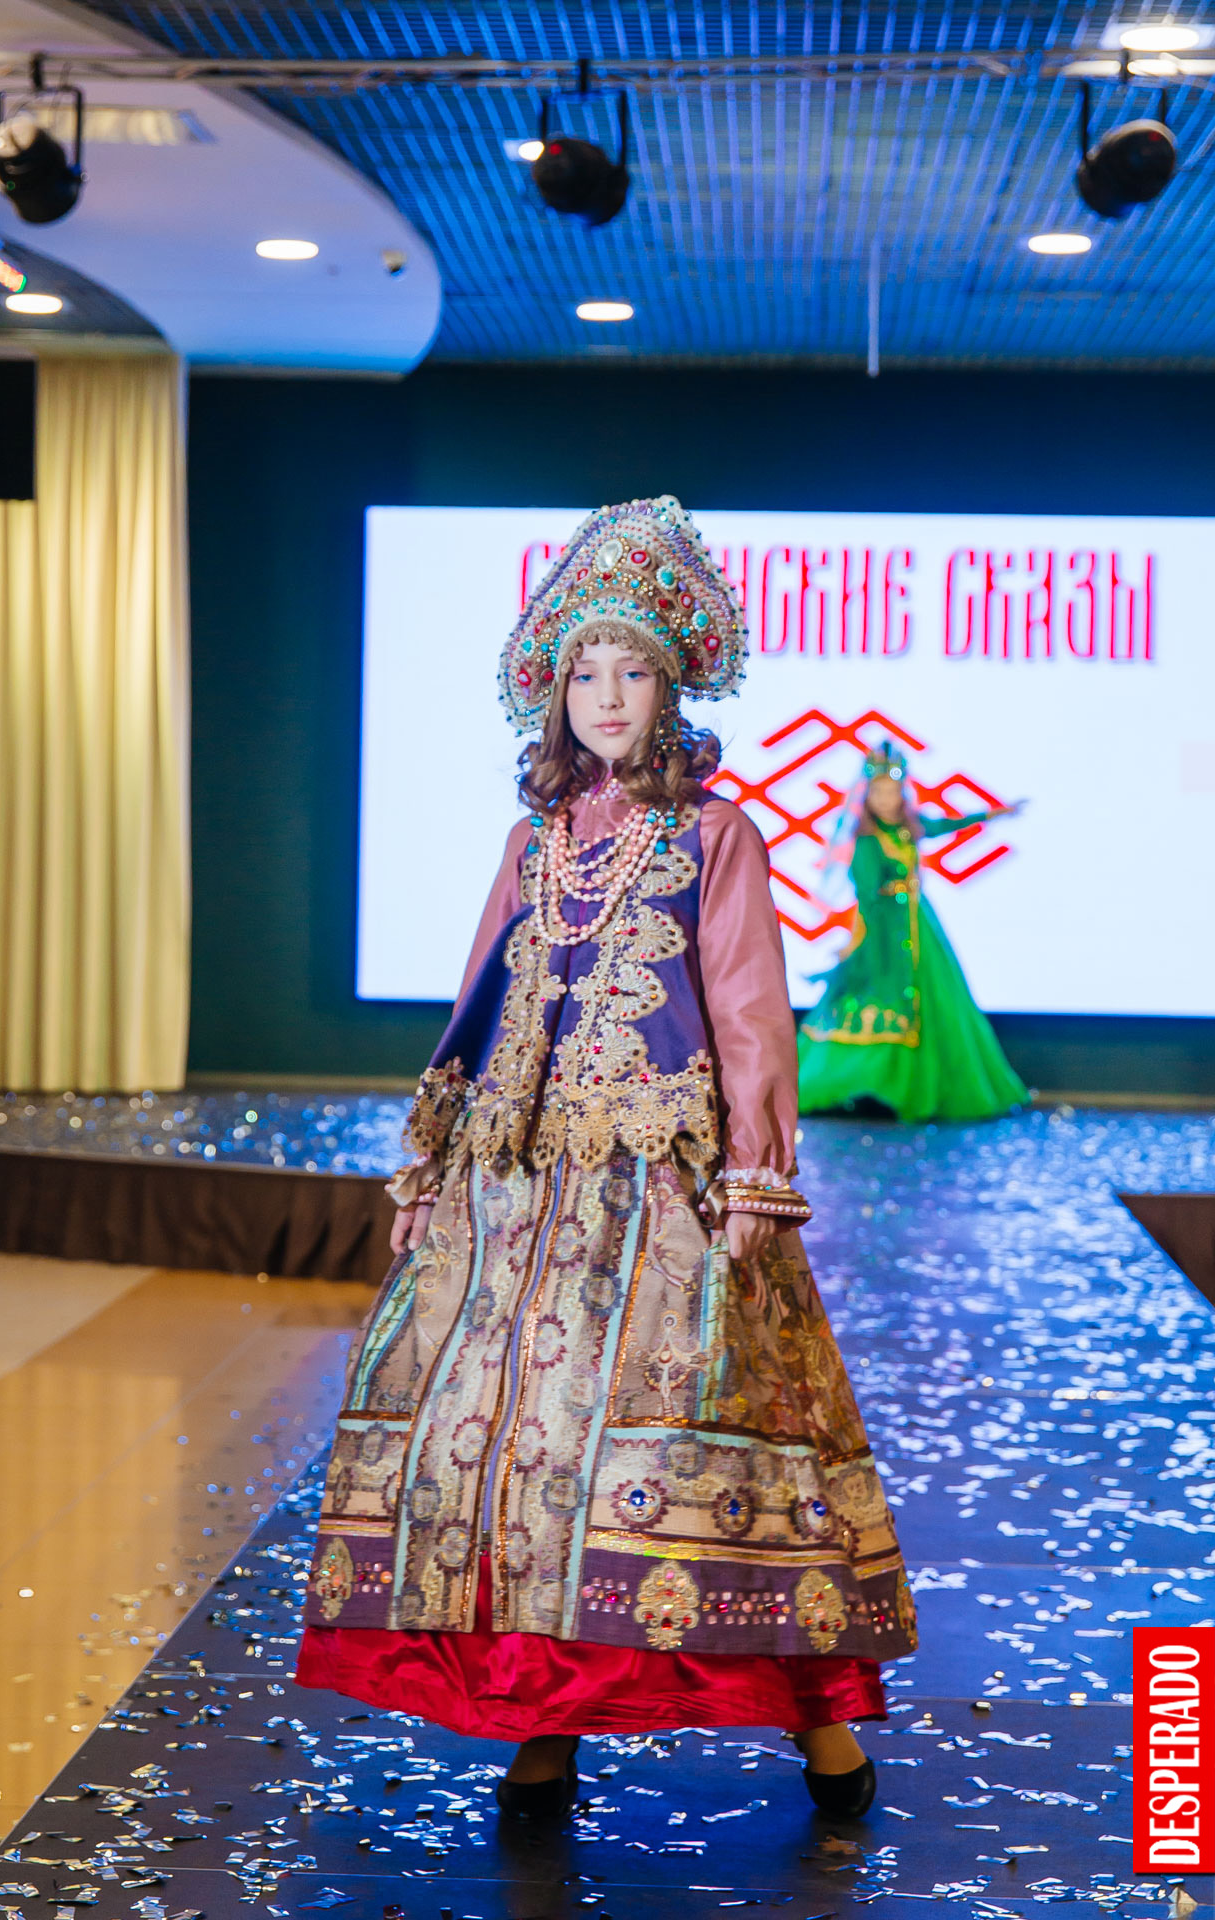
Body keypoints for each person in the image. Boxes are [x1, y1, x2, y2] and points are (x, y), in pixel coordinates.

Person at [296, 497, 916, 1823]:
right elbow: (479, 1002)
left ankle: (820, 1726)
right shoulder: (531, 843)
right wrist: (431, 1169)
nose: (610, 697)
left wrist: (754, 1174)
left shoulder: (714, 836)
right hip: (520, 1191)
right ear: (556, 692)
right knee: (513, 1452)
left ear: (670, 686)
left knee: (709, 1445)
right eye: (587, 673)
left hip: (663, 1191)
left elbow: (747, 1011)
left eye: (633, 671)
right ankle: (541, 1727)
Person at [797, 740, 1029, 1125]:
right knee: (881, 999)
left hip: (919, 925)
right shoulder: (867, 840)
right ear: (866, 796)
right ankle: (866, 1084)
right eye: (878, 793)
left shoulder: (908, 828)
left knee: (935, 1002)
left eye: (892, 792)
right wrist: (859, 943)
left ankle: (927, 1088)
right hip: (884, 931)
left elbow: (945, 825)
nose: (885, 800)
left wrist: (992, 814)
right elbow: (867, 899)